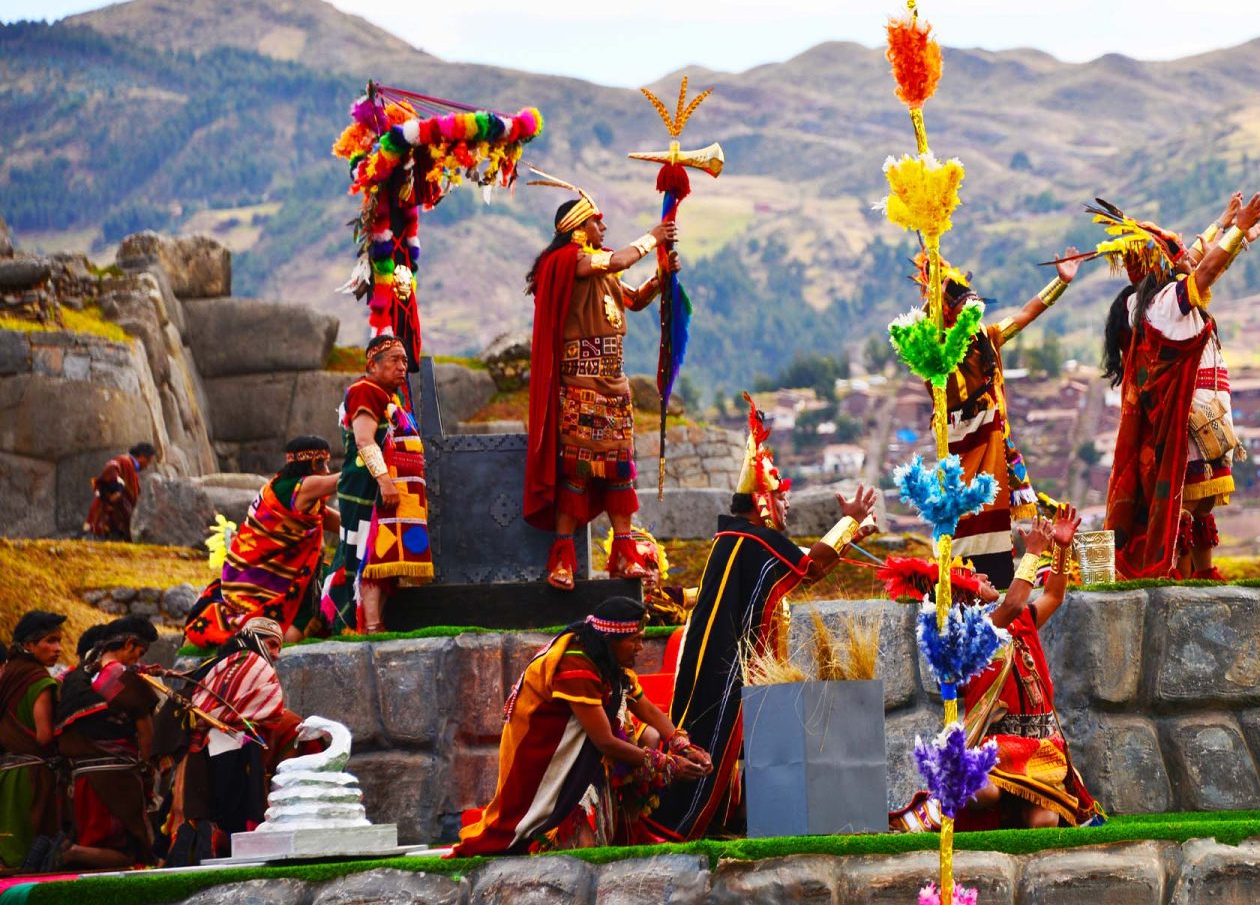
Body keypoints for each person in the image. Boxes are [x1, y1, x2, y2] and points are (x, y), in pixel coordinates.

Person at [645, 396, 879, 841]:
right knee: (722, 748)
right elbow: (808, 568)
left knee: (752, 753)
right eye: (780, 497)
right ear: (761, 503)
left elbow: (807, 562)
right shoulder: (745, 539)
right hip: (724, 672)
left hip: (737, 671)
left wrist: (850, 535)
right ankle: (697, 825)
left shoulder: (741, 542)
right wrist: (846, 524)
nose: (786, 505)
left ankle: (740, 823)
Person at [886, 506, 1104, 832]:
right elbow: (1013, 603)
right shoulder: (975, 635)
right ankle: (952, 801)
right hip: (997, 749)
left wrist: (1060, 548)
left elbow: (1055, 595)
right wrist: (1032, 553)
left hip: (1041, 746)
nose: (984, 576)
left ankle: (1014, 813)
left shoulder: (1021, 622)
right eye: (975, 577)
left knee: (1044, 822)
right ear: (962, 597)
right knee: (984, 791)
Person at [449, 598, 710, 856]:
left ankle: (627, 831)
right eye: (635, 640)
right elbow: (604, 742)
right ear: (611, 640)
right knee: (579, 842)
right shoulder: (575, 665)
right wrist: (667, 764)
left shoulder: (608, 662)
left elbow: (648, 709)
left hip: (586, 746)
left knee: (648, 735)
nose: (640, 647)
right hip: (548, 756)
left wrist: (682, 745)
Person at [1101, 192, 1260, 580]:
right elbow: (1203, 268)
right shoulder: (1164, 302)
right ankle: (1175, 572)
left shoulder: (1161, 295)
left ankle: (1202, 571)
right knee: (1185, 498)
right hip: (1184, 416)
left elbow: (1194, 257)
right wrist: (1237, 230)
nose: (1188, 255)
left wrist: (1230, 229)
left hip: (1206, 410)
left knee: (1204, 498)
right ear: (1160, 267)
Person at [522, 191, 680, 590]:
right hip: (580, 386)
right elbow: (622, 258)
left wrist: (662, 278)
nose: (604, 227)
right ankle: (562, 561)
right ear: (578, 229)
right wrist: (654, 237)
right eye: (597, 221)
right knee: (578, 472)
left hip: (615, 388)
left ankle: (626, 558)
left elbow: (635, 299)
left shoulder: (600, 271)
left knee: (619, 473)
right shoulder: (572, 262)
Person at [918, 255, 1079, 589]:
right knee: (967, 524)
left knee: (996, 524)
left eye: (978, 305)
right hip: (962, 449)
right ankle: (972, 584)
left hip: (994, 445)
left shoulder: (988, 337)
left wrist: (1061, 282)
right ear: (950, 315)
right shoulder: (937, 354)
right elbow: (926, 332)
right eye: (968, 307)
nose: (977, 312)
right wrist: (937, 293)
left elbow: (1025, 314)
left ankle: (1005, 582)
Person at [163, 617, 315, 864]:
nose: (275, 654)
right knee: (232, 814)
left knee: (206, 812)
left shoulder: (215, 664)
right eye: (272, 644)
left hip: (204, 750)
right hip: (230, 750)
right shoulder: (253, 663)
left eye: (279, 648)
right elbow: (271, 711)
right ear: (252, 638)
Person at [184, 438, 340, 650]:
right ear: (312, 464)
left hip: (267, 572)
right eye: (323, 464)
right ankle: (265, 640)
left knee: (330, 582)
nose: (327, 470)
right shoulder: (304, 486)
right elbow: (344, 479)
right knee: (305, 616)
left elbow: (340, 523)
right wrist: (369, 449)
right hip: (264, 578)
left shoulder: (285, 487)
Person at [321, 335, 428, 634]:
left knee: (386, 552)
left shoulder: (391, 398)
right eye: (394, 359)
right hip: (368, 485)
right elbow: (364, 439)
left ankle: (375, 620)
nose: (402, 367)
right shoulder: (365, 391)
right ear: (373, 363)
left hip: (389, 489)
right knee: (368, 550)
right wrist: (384, 481)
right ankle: (369, 623)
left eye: (405, 361)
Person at [52, 618, 161, 871]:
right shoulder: (122, 677)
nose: (138, 660)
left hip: (81, 778)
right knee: (131, 852)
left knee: (96, 841)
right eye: (139, 653)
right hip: (118, 779)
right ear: (130, 644)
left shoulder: (75, 678)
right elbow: (146, 733)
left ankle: (74, 853)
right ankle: (70, 852)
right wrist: (147, 770)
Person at [0, 611, 64, 872]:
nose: (58, 648)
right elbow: (44, 736)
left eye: (59, 641)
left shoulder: (6, 675)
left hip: (5, 775)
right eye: (50, 641)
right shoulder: (40, 681)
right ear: (28, 645)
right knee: (27, 857)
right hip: (31, 779)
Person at [85, 443, 156, 540]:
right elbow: (112, 467)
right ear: (142, 456)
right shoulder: (124, 461)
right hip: (108, 515)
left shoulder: (131, 469)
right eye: (148, 462)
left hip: (119, 518)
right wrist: (117, 488)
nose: (147, 466)